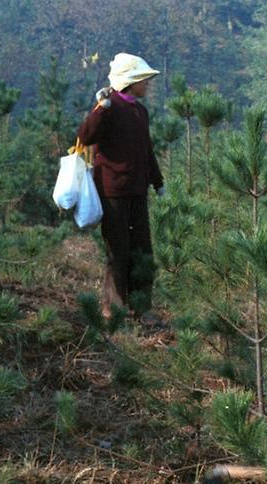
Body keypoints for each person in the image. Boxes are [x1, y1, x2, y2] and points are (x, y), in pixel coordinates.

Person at [77, 53, 165, 320]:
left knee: (142, 251)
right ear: (130, 82)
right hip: (112, 191)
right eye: (144, 80)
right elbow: (86, 135)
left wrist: (157, 181)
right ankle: (114, 310)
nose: (147, 85)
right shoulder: (109, 107)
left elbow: (146, 150)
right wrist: (101, 108)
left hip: (137, 191)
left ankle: (142, 307)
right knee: (118, 251)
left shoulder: (140, 111)